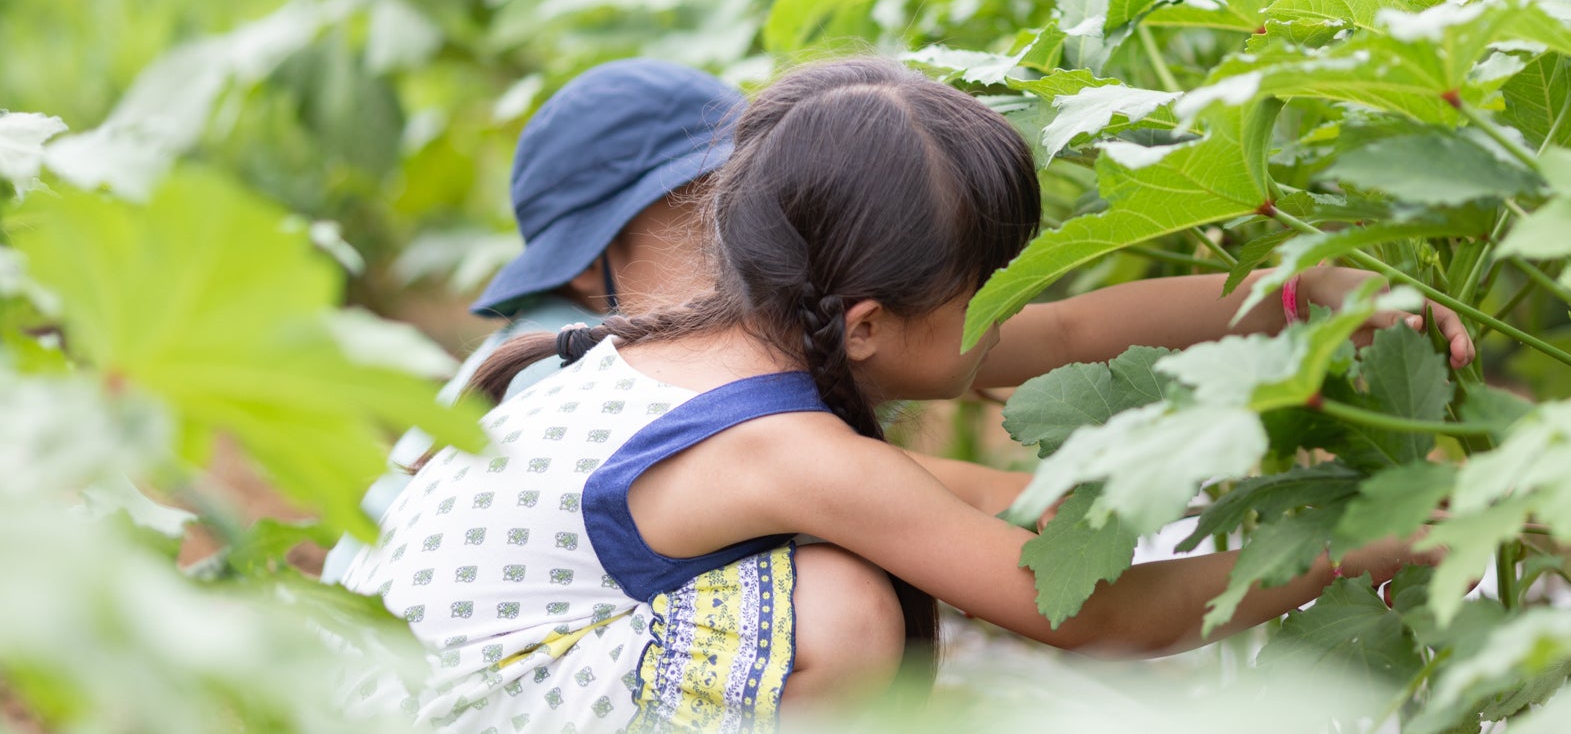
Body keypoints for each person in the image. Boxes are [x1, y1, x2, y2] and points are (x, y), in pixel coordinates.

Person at [339, 58, 1471, 732]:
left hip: (375, 680)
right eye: (983, 288)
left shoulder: (697, 331)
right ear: (870, 324)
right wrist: (1352, 540)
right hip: (461, 710)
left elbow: (1065, 332)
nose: (1005, 311)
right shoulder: (783, 450)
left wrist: (1305, 290)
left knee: (819, 589)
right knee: (836, 604)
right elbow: (1088, 613)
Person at [321, 58, 744, 586]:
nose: (748, 246)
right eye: (705, 225)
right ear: (588, 260)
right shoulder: (585, 375)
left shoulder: (554, 333)